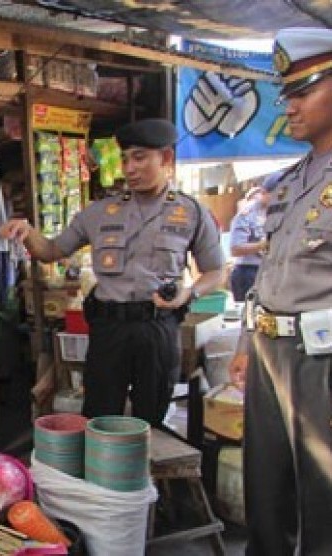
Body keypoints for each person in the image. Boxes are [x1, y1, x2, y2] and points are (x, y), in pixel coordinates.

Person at [0, 118, 224, 426]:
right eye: (125, 158)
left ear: (166, 158)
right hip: (109, 330)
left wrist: (189, 292)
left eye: (140, 157)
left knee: (151, 419)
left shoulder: (192, 212)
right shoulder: (99, 212)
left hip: (157, 329)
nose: (129, 167)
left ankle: (146, 473)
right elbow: (52, 251)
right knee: (99, 417)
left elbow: (216, 271)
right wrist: (27, 232)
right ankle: (102, 475)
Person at [228, 27, 332, 555]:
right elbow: (272, 271)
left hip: (323, 361)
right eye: (285, 92)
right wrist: (249, 343)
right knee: (265, 495)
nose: (288, 105)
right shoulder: (292, 178)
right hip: (274, 350)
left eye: (303, 90)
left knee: (325, 506)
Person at [228, 185, 270, 301]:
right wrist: (262, 245)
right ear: (265, 193)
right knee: (249, 313)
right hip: (249, 271)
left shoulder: (281, 211)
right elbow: (235, 248)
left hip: (272, 271)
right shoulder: (248, 213)